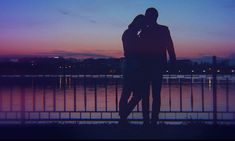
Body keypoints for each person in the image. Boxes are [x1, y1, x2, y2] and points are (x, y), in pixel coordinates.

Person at [139, 7, 176, 125]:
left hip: (149, 66)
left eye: (147, 16)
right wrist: (172, 60)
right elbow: (170, 46)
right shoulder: (160, 30)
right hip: (153, 65)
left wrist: (173, 60)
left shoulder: (145, 31)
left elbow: (170, 46)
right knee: (154, 94)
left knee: (149, 94)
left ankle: (148, 121)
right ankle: (152, 121)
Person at [119, 14, 147, 125]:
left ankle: (123, 116)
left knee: (128, 92)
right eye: (140, 23)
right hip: (132, 66)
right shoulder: (130, 34)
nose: (141, 25)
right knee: (134, 93)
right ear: (136, 22)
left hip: (131, 65)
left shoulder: (130, 33)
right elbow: (133, 50)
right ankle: (123, 115)